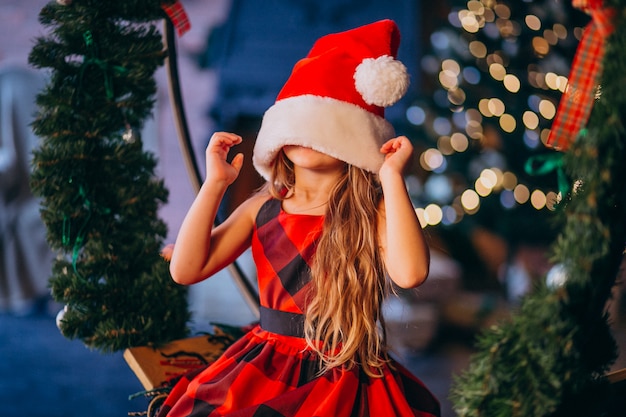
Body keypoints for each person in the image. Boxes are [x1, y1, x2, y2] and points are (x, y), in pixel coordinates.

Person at [161, 19, 440, 417]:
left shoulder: (370, 211)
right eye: (299, 126)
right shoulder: (263, 207)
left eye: (322, 127)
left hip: (345, 369)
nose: (307, 138)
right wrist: (214, 185)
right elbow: (186, 270)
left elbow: (411, 273)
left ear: (354, 138)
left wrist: (391, 178)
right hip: (267, 363)